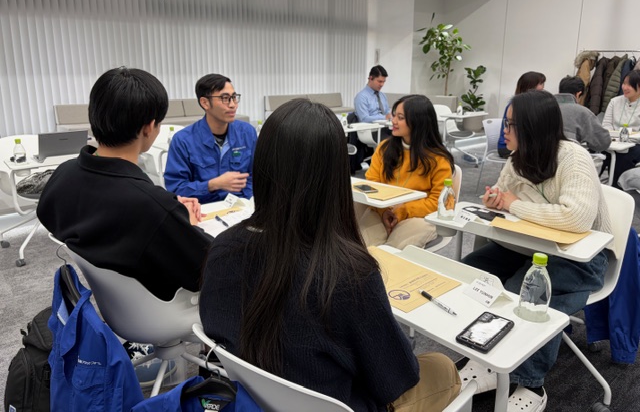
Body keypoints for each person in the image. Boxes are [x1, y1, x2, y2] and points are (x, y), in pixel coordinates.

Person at [199, 99, 460, 412]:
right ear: (336, 175)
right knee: (443, 368)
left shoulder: (222, 248)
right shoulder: (348, 274)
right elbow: (396, 378)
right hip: (335, 402)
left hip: (250, 397)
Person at [462, 90, 611, 411]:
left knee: (526, 294)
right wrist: (495, 199)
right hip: (529, 246)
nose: (504, 131)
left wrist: (514, 204)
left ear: (532, 127)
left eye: (510, 125)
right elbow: (502, 195)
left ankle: (531, 383)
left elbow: (576, 218)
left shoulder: (572, 157)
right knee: (471, 273)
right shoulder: (517, 158)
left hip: (581, 257)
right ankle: (485, 354)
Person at [37, 67, 213, 301]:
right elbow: (215, 267)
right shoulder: (151, 208)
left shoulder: (64, 173)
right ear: (149, 127)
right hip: (162, 310)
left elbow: (49, 214)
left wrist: (169, 211)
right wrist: (181, 219)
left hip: (116, 305)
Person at [358, 94, 455, 249]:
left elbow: (439, 202)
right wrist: (383, 211)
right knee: (363, 247)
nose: (393, 121)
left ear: (418, 122)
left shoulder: (438, 158)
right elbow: (372, 185)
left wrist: (402, 211)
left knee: (393, 251)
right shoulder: (384, 149)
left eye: (400, 117)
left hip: (419, 216)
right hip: (382, 211)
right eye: (394, 115)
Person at [164, 73, 257, 204]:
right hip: (204, 207)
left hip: (242, 205)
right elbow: (176, 188)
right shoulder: (183, 140)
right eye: (225, 98)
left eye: (234, 97)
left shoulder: (247, 133)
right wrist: (212, 185)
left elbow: (256, 175)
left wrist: (248, 201)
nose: (233, 105)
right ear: (205, 103)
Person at [602, 69, 640, 187]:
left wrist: (627, 138)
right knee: (597, 152)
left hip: (635, 144)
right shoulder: (614, 102)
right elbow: (606, 125)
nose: (625, 87)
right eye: (624, 83)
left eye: (630, 85)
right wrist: (616, 137)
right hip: (613, 141)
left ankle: (618, 189)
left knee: (623, 158)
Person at [497, 71, 546, 158]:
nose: (543, 87)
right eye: (541, 83)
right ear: (530, 86)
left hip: (520, 144)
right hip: (508, 147)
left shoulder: (528, 104)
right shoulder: (516, 106)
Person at [557, 75, 611, 152]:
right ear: (578, 94)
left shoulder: (543, 107)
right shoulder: (582, 112)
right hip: (569, 156)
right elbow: (603, 142)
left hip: (543, 156)